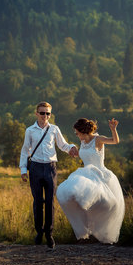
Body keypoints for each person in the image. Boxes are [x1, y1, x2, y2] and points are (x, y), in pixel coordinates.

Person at [56, 118, 125, 244]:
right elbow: (85, 155)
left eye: (77, 133)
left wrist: (113, 129)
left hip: (99, 174)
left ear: (83, 131)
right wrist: (73, 152)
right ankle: (86, 233)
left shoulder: (98, 140)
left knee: (105, 204)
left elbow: (115, 141)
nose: (76, 135)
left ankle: (102, 233)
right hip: (86, 175)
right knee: (74, 197)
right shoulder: (82, 142)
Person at [20, 102, 79, 249]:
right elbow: (25, 150)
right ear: (36, 114)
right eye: (42, 113)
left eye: (48, 113)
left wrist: (71, 148)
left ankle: (49, 234)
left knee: (50, 202)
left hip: (51, 168)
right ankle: (39, 232)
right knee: (38, 201)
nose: (45, 116)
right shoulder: (30, 130)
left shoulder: (54, 129)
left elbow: (63, 145)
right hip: (35, 168)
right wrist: (23, 170)